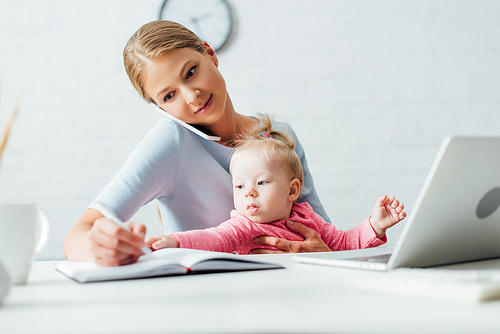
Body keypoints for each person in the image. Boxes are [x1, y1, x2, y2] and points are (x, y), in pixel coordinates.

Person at [63, 20, 335, 266]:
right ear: (160, 107)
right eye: (169, 96)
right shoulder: (171, 143)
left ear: (210, 54)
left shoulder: (279, 136)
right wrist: (100, 246)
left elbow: (327, 237)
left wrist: (323, 252)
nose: (192, 96)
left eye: (191, 72)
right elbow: (77, 235)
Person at [146, 114, 406, 254]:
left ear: (293, 190)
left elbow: (342, 243)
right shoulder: (244, 225)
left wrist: (375, 225)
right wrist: (174, 241)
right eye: (239, 186)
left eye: (261, 182)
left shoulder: (307, 217)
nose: (249, 192)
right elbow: (213, 238)